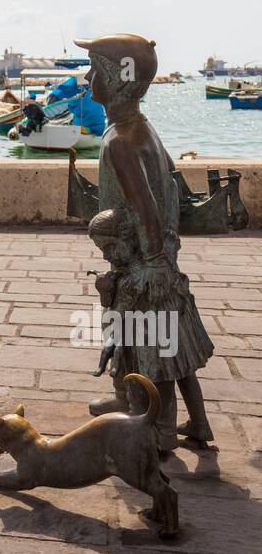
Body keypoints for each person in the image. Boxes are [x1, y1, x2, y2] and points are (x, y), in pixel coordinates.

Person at [76, 34, 214, 453]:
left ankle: (159, 429)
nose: (87, 79)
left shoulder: (122, 141)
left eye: (94, 70)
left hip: (145, 261)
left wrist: (152, 261)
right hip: (150, 257)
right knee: (167, 345)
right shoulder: (141, 129)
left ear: (117, 79)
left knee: (153, 346)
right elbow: (171, 187)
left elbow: (146, 206)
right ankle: (140, 404)